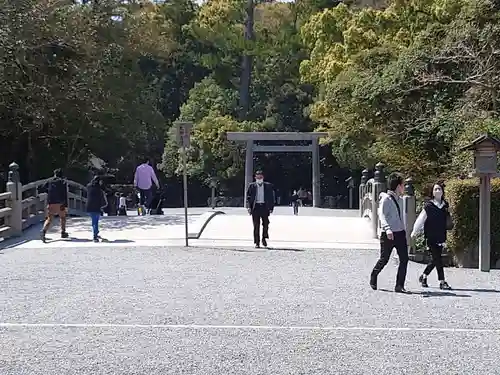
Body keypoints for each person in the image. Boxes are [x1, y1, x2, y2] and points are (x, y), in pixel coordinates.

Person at [370, 173, 409, 293]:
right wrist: (387, 229)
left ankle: (399, 285)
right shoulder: (386, 199)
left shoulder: (401, 200)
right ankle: (374, 275)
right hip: (388, 234)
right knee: (384, 259)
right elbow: (381, 215)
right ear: (398, 186)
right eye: (403, 185)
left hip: (400, 233)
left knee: (404, 259)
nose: (404, 188)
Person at [411, 182, 452, 290]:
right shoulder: (428, 206)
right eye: (435, 189)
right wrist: (414, 231)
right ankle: (442, 281)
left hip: (441, 236)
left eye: (439, 189)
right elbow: (421, 219)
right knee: (438, 259)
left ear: (443, 191)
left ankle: (424, 276)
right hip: (431, 236)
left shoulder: (445, 205)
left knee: (435, 259)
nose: (438, 191)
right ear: (432, 192)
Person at [246, 170, 275, 248]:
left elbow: (271, 197)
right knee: (256, 225)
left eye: (260, 177)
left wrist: (271, 207)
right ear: (255, 177)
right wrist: (248, 207)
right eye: (258, 177)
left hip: (264, 207)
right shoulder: (252, 186)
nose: (259, 178)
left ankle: (264, 238)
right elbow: (248, 198)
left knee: (266, 224)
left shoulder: (268, 186)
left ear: (263, 177)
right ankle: (257, 242)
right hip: (255, 207)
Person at [40, 168, 69, 242]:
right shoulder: (63, 182)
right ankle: (63, 232)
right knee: (62, 217)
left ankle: (43, 231)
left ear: (54, 174)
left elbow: (42, 188)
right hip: (60, 203)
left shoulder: (49, 181)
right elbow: (65, 194)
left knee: (49, 218)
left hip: (51, 202)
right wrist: (65, 205)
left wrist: (49, 192)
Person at [86, 176, 108, 242]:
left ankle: (96, 232)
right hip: (96, 206)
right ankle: (95, 236)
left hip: (89, 205)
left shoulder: (88, 186)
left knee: (94, 221)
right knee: (95, 222)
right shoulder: (99, 189)